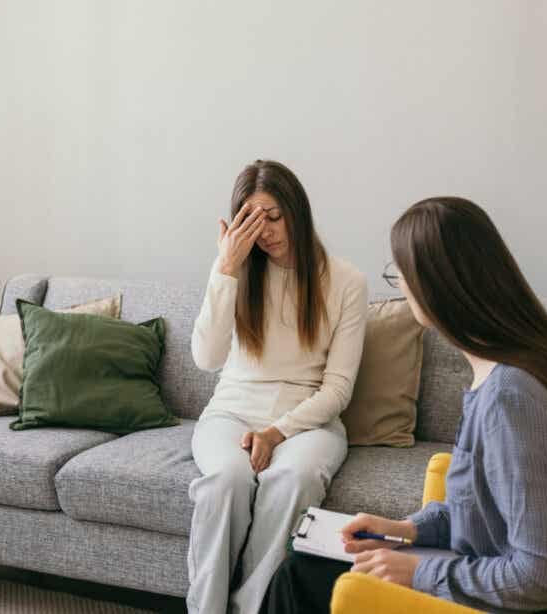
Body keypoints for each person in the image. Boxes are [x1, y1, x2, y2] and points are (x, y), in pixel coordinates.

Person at [261, 197, 547, 614]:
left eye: (399, 274)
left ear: (433, 286)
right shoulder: (527, 360)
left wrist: (416, 573)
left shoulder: (513, 398)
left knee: (300, 577)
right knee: (310, 562)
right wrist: (404, 531)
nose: (399, 285)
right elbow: (489, 510)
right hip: (515, 577)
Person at [187, 159, 369, 613]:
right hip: (231, 412)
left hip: (309, 421)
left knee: (294, 478)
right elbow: (206, 359)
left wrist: (277, 432)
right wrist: (225, 269)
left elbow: (338, 389)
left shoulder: (347, 281)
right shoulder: (236, 270)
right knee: (226, 479)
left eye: (273, 216)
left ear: (296, 211)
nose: (265, 231)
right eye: (252, 220)